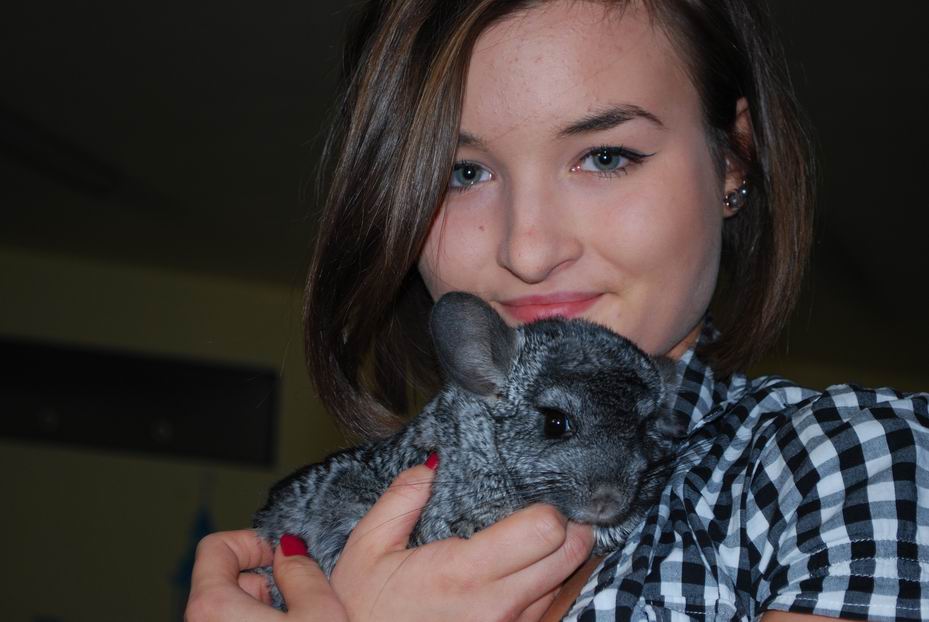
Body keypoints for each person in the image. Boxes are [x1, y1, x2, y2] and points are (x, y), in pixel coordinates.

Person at [185, 0, 929, 620]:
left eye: (605, 156)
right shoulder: (343, 520)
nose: (529, 249)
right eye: (462, 172)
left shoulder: (842, 463)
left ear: (731, 159)